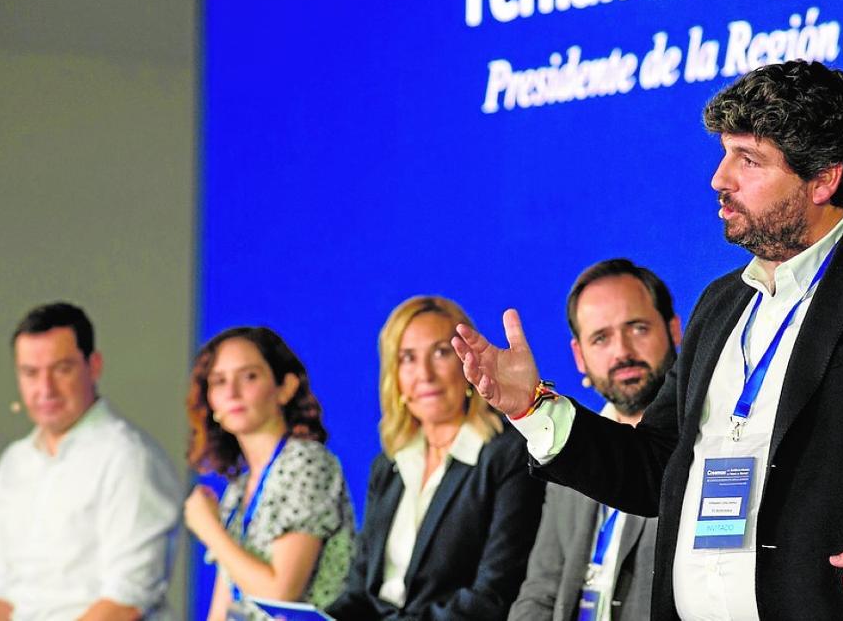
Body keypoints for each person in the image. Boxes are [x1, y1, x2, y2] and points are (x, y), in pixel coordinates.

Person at [452, 61, 843, 620]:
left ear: (823, 181)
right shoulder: (720, 305)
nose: (718, 179)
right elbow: (657, 471)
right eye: (724, 154)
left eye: (748, 160)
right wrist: (533, 407)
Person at [328, 296, 544, 620]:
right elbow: (360, 592)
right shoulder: (388, 465)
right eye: (407, 358)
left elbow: (493, 595)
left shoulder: (507, 455)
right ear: (395, 376)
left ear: (466, 362)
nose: (424, 374)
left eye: (441, 353)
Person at [0, 302, 183, 620]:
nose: (45, 389)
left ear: (94, 366)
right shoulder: (14, 463)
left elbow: (125, 601)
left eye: (62, 369)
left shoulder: (128, 458)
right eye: (30, 373)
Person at [510, 259, 682, 621]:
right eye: (600, 338)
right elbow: (541, 592)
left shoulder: (698, 445)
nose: (621, 352)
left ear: (674, 330)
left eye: (637, 328)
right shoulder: (568, 447)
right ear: (579, 356)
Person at [184, 326, 355, 621]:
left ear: (285, 388)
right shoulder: (239, 488)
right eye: (219, 381)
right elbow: (223, 607)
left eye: (249, 376)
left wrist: (211, 531)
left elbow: (278, 594)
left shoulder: (307, 463)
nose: (232, 392)